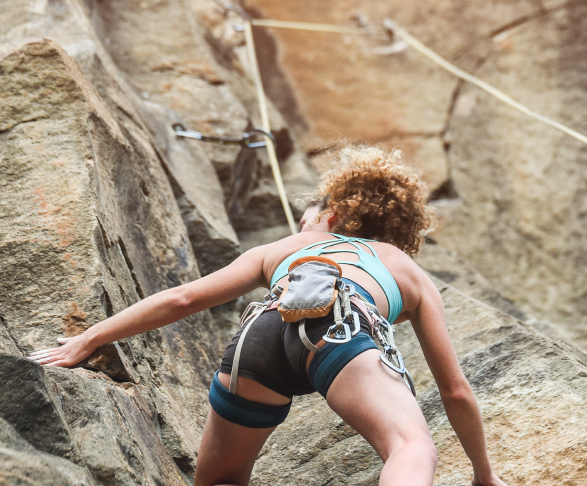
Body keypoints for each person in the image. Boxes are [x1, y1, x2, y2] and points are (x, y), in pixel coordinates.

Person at [30, 145, 507, 486]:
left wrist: (90, 337)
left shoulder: (286, 248)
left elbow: (182, 300)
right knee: (412, 447)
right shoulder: (406, 268)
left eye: (308, 217)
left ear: (336, 213)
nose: (302, 226)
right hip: (340, 331)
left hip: (256, 339)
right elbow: (455, 390)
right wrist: (483, 475)